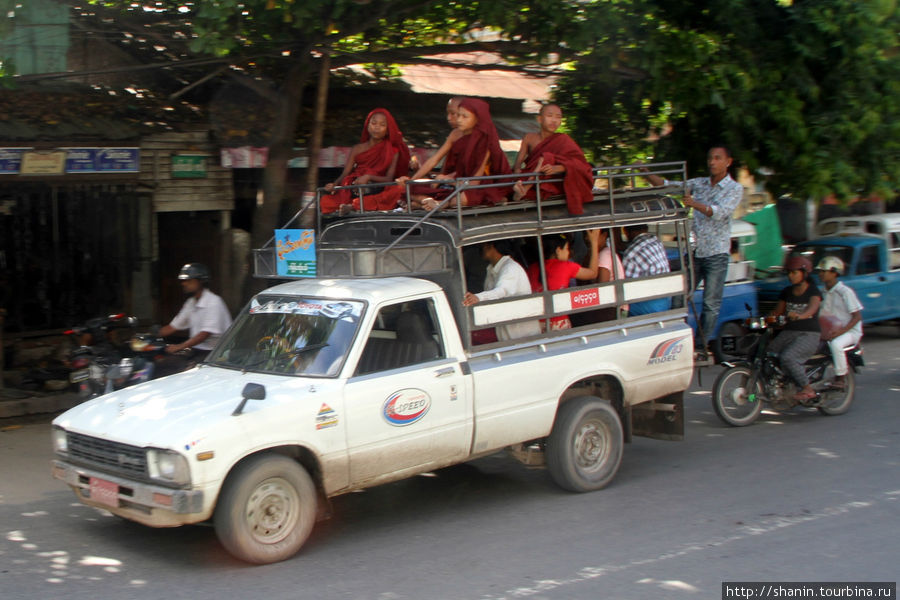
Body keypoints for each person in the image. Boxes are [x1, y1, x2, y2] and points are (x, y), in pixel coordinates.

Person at [644, 145, 743, 348]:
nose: (712, 162)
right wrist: (644, 172)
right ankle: (677, 338)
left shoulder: (734, 189)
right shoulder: (700, 183)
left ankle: (701, 344)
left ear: (728, 162)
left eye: (717, 158)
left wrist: (694, 204)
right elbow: (669, 185)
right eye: (710, 158)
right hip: (696, 252)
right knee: (680, 296)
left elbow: (719, 212)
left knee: (710, 304)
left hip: (717, 253)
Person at [399, 97, 511, 210]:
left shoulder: (485, 141)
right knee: (412, 188)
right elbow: (435, 159)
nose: (459, 120)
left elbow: (475, 181)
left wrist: (450, 181)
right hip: (457, 181)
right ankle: (427, 203)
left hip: (478, 185)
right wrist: (412, 180)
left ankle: (438, 204)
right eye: (458, 115)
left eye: (464, 116)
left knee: (464, 198)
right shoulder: (455, 134)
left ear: (477, 119)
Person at [320, 108, 411, 214]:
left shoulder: (393, 150)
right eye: (373, 123)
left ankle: (354, 206)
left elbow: (389, 178)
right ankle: (354, 204)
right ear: (367, 126)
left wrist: (369, 177)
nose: (377, 127)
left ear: (387, 130)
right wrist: (334, 184)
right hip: (355, 186)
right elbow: (345, 173)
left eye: (382, 125)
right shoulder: (357, 148)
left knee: (398, 190)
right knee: (325, 201)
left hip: (378, 188)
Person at [511, 104, 594, 215]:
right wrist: (517, 172)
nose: (554, 120)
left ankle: (522, 191)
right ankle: (522, 189)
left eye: (558, 117)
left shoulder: (564, 140)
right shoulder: (529, 137)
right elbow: (518, 163)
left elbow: (581, 164)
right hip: (532, 177)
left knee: (547, 157)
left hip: (550, 182)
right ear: (539, 119)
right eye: (550, 116)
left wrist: (558, 168)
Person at [768, 255, 822, 402]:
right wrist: (764, 320)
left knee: (788, 357)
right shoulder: (786, 291)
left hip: (809, 334)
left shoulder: (813, 292)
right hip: (789, 331)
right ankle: (784, 383)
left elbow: (812, 308)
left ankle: (807, 389)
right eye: (789, 273)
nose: (791, 276)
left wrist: (801, 315)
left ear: (804, 273)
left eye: (794, 273)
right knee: (768, 353)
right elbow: (777, 312)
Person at [462, 240, 541, 341]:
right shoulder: (491, 269)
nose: (480, 249)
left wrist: (478, 297)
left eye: (483, 246)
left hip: (522, 334)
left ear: (491, 247)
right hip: (505, 331)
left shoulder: (510, 268)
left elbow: (501, 291)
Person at [158, 263, 233, 365]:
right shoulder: (191, 303)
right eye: (184, 281)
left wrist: (179, 346)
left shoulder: (213, 302)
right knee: (164, 363)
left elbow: (204, 334)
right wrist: (151, 336)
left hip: (215, 354)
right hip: (197, 351)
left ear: (200, 281)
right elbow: (173, 327)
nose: (184, 284)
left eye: (189, 281)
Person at [528, 230, 600, 329]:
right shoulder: (565, 266)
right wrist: (594, 243)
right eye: (567, 248)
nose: (569, 252)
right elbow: (593, 273)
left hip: (535, 325)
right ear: (558, 251)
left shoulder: (532, 268)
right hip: (558, 323)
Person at [816, 256, 863, 390]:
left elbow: (857, 316)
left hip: (850, 331)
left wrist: (841, 332)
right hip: (830, 330)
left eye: (824, 271)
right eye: (820, 271)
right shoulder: (822, 292)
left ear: (834, 272)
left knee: (836, 344)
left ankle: (840, 378)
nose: (821, 274)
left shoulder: (845, 292)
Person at [621, 224, 671, 315]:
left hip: (647, 304)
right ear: (646, 228)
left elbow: (625, 287)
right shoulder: (655, 240)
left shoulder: (631, 253)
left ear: (626, 231)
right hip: (665, 299)